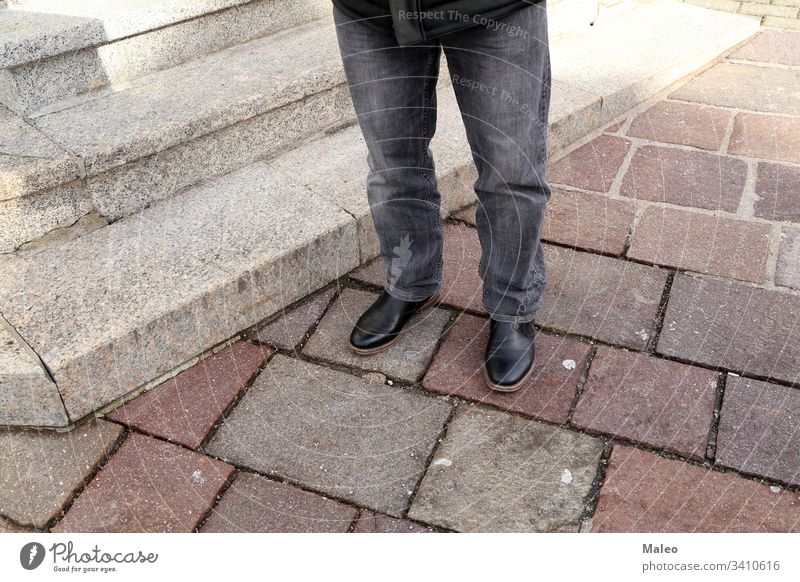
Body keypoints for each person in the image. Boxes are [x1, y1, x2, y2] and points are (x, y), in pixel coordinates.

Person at [332, 0, 551, 392]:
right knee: (392, 164)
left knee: (511, 172)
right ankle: (411, 284)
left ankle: (512, 305)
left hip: (495, 6)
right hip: (369, 7)